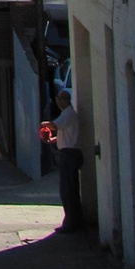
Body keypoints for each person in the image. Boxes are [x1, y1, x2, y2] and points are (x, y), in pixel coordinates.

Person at [47, 89, 84, 231]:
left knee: (68, 190)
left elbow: (54, 125)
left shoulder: (68, 113)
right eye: (57, 99)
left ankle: (72, 223)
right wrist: (54, 139)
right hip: (69, 152)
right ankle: (72, 221)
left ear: (66, 100)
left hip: (69, 155)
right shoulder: (68, 114)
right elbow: (66, 134)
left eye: (60, 99)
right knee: (68, 189)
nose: (57, 102)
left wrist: (44, 125)